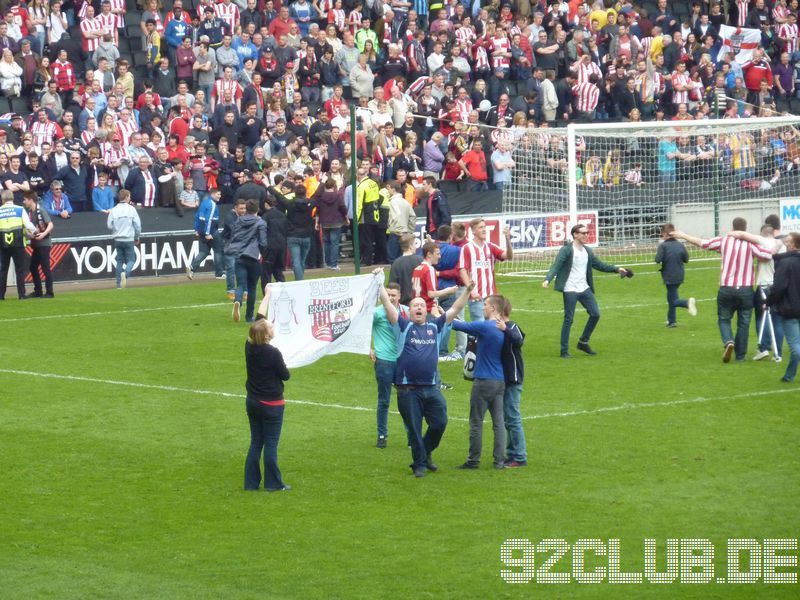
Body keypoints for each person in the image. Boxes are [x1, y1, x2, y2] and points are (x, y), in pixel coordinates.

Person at [377, 276, 475, 477]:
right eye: (415, 306)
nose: (419, 308)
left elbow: (455, 310)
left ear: (426, 310)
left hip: (431, 388)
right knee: (414, 429)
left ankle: (426, 452)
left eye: (422, 305)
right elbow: (387, 303)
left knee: (440, 422)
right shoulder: (403, 327)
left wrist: (466, 291)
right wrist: (379, 283)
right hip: (408, 389)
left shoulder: (435, 327)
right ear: (409, 311)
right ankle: (420, 464)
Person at [671, 218, 774, 363]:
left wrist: (683, 235)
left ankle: (728, 341)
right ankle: (740, 356)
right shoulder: (751, 244)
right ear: (745, 229)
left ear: (732, 227)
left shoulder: (724, 241)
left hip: (727, 288)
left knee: (724, 319)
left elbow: (702, 243)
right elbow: (767, 256)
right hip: (746, 290)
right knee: (743, 324)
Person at [543, 224, 632, 358]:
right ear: (575, 235)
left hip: (584, 288)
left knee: (595, 314)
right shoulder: (566, 250)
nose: (586, 235)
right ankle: (564, 351)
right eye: (583, 233)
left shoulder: (588, 251)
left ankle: (583, 342)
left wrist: (617, 269)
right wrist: (548, 279)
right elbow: (556, 265)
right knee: (569, 319)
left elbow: (600, 265)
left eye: (587, 233)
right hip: (570, 289)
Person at [452, 294, 508, 470]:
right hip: (500, 381)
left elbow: (458, 325)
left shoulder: (486, 326)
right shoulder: (504, 329)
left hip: (483, 380)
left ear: (493, 308)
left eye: (485, 304)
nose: (482, 307)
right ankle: (499, 461)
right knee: (499, 423)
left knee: (476, 421)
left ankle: (473, 460)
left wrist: (441, 313)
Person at [244, 288, 291, 492]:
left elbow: (259, 318)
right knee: (271, 444)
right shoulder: (273, 353)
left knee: (256, 442)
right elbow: (285, 376)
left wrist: (268, 296)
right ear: (266, 336)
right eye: (271, 328)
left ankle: (251, 483)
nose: (273, 327)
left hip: (252, 401)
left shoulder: (249, 346)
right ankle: (273, 483)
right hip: (271, 403)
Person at [370, 280, 408, 449]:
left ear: (399, 296)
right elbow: (360, 329)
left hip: (404, 362)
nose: (391, 298)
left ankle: (411, 436)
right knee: (384, 400)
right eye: (388, 295)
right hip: (384, 361)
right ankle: (382, 435)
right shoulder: (377, 313)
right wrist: (367, 348)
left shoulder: (407, 312)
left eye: (394, 295)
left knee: (407, 401)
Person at [497, 297, 527, 468]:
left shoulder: (511, 326)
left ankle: (520, 456)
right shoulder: (498, 328)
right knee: (507, 417)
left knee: (512, 417)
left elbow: (519, 339)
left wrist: (505, 329)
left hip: (513, 378)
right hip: (503, 378)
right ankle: (511, 454)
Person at [767, 232, 800, 383]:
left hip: (791, 310)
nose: (785, 243)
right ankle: (789, 375)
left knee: (795, 347)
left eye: (787, 241)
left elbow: (778, 288)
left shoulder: (786, 264)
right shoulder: (787, 261)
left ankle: (789, 376)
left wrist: (768, 302)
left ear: (792, 244)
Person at [229, 200, 268, 323]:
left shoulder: (238, 220)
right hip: (253, 256)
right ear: (257, 210)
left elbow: (233, 236)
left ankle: (238, 301)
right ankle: (249, 316)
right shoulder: (261, 222)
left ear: (246, 209)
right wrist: (262, 252)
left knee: (240, 284)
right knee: (252, 287)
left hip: (239, 256)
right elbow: (263, 242)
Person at [655, 223, 697, 327]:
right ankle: (672, 321)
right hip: (680, 274)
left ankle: (686, 303)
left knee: (673, 300)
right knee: (672, 297)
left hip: (669, 275)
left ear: (665, 234)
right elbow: (686, 259)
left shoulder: (663, 246)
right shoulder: (680, 245)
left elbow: (657, 260)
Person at [0, 189, 36, 300]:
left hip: (3, 244)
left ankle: (1, 295)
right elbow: (28, 225)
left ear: (2, 199)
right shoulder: (20, 210)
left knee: (3, 270)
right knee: (20, 270)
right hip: (18, 243)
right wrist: (35, 231)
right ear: (13, 198)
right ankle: (21, 294)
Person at [187, 188, 224, 280]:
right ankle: (219, 274)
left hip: (202, 230)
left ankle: (192, 267)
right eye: (218, 194)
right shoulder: (212, 204)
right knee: (218, 251)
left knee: (204, 251)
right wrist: (207, 233)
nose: (220, 196)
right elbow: (209, 219)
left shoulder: (203, 202)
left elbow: (197, 216)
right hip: (211, 231)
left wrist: (197, 229)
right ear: (213, 194)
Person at [107, 190, 141, 289]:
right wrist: (137, 237)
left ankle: (118, 285)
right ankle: (125, 274)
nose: (130, 198)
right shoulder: (131, 209)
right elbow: (138, 225)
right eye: (129, 196)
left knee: (119, 261)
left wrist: (116, 229)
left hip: (117, 239)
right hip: (128, 239)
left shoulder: (113, 210)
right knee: (131, 260)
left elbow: (109, 225)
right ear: (126, 197)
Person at [23, 191, 54, 298]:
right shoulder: (30, 212)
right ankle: (38, 291)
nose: (24, 202)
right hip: (37, 244)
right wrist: (29, 234)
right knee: (33, 267)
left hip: (44, 243)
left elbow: (50, 224)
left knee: (45, 268)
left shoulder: (40, 210)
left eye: (25, 199)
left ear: (31, 200)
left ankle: (49, 292)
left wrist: (43, 234)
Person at [222, 199, 247, 300]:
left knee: (244, 269)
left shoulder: (245, 216)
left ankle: (245, 291)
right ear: (235, 207)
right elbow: (234, 230)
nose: (243, 210)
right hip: (230, 246)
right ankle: (231, 291)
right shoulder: (230, 217)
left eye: (244, 208)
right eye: (241, 208)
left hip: (242, 246)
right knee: (231, 269)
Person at [388, 233, 422, 306]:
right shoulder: (420, 261)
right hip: (420, 303)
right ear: (410, 246)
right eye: (414, 244)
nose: (416, 247)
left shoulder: (396, 263)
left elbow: (392, 286)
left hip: (403, 305)